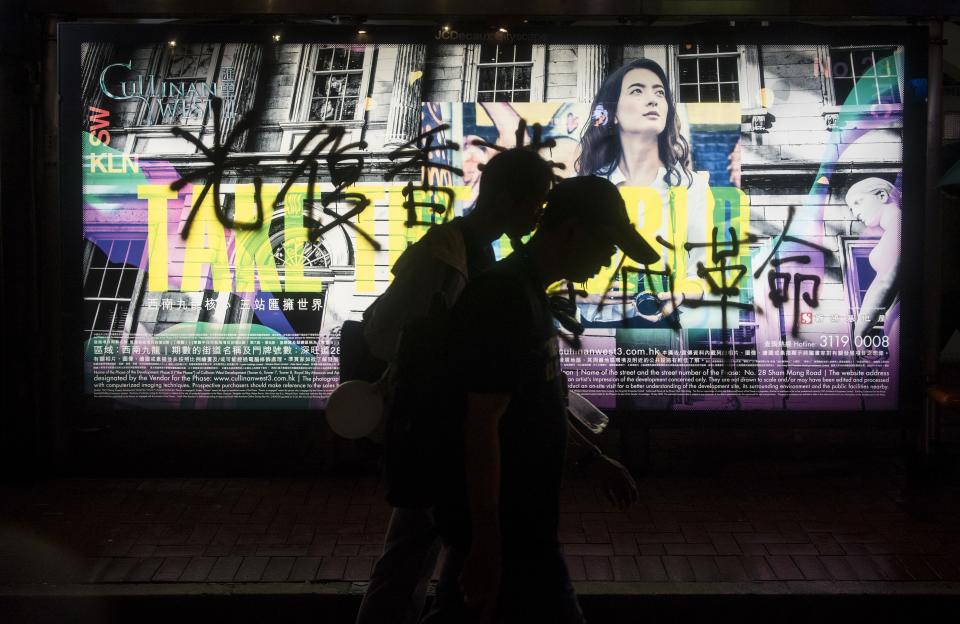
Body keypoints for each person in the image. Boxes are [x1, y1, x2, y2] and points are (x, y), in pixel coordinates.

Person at [422, 176, 657, 624]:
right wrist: (488, 541)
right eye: (607, 244)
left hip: (522, 522)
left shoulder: (529, 293)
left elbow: (533, 405)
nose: (610, 258)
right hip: (510, 528)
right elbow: (480, 423)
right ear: (572, 231)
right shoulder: (504, 296)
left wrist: (592, 459)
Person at [355, 148, 555, 624]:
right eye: (536, 201)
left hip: (451, 427)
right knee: (411, 556)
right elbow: (382, 331)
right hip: (434, 427)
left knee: (423, 553)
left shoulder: (478, 252)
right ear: (506, 197)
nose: (538, 213)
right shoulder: (443, 253)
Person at [575, 58, 710, 326]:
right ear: (613, 113)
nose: (653, 100)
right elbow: (555, 270)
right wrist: (581, 294)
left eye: (660, 93)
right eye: (637, 90)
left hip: (663, 325)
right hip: (596, 330)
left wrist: (680, 294)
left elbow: (704, 272)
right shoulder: (586, 186)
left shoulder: (691, 186)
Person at [844, 177, 901, 343]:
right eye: (851, 208)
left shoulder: (900, 228)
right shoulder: (895, 229)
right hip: (895, 321)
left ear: (882, 195)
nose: (855, 214)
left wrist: (860, 330)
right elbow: (879, 283)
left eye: (857, 203)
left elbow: (885, 283)